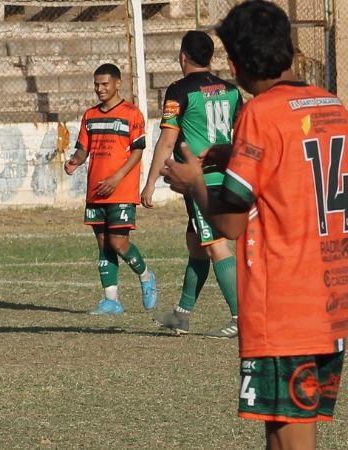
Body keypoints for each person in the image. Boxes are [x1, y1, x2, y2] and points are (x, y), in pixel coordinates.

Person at [160, 2, 347, 448]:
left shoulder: (260, 113)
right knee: (281, 432)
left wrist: (192, 185)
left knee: (290, 435)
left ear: (236, 61)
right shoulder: (330, 104)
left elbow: (230, 220)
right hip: (328, 300)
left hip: (285, 303)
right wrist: (235, 153)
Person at [141, 31, 243, 338]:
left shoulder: (178, 90)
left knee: (216, 246)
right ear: (210, 58)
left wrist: (149, 184)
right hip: (227, 175)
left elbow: (167, 140)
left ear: (182, 57)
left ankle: (241, 319)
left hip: (200, 181)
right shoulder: (230, 89)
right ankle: (182, 316)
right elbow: (243, 133)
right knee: (196, 244)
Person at [65, 63, 158, 315]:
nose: (100, 89)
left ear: (118, 83)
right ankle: (111, 300)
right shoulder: (90, 116)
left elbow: (138, 150)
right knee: (104, 243)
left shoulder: (131, 113)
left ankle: (146, 276)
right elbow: (84, 148)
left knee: (119, 242)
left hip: (121, 190)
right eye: (96, 84)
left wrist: (117, 177)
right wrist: (75, 160)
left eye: (105, 84)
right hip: (96, 190)